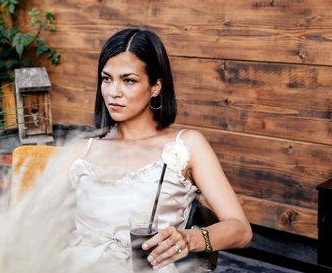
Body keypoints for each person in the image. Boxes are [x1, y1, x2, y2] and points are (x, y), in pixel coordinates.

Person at [59, 28, 252, 273]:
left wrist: (188, 239)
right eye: (107, 79)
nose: (113, 92)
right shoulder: (81, 151)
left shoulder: (188, 144)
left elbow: (241, 230)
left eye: (128, 80)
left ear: (155, 87)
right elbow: (34, 220)